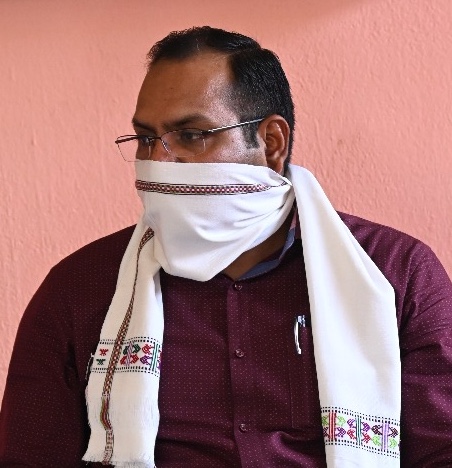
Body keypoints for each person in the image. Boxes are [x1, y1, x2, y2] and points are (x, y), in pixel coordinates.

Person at [1, 26, 451, 468]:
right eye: (146, 139)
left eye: (191, 135)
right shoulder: (80, 287)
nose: (158, 162)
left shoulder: (394, 273)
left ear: (271, 143)